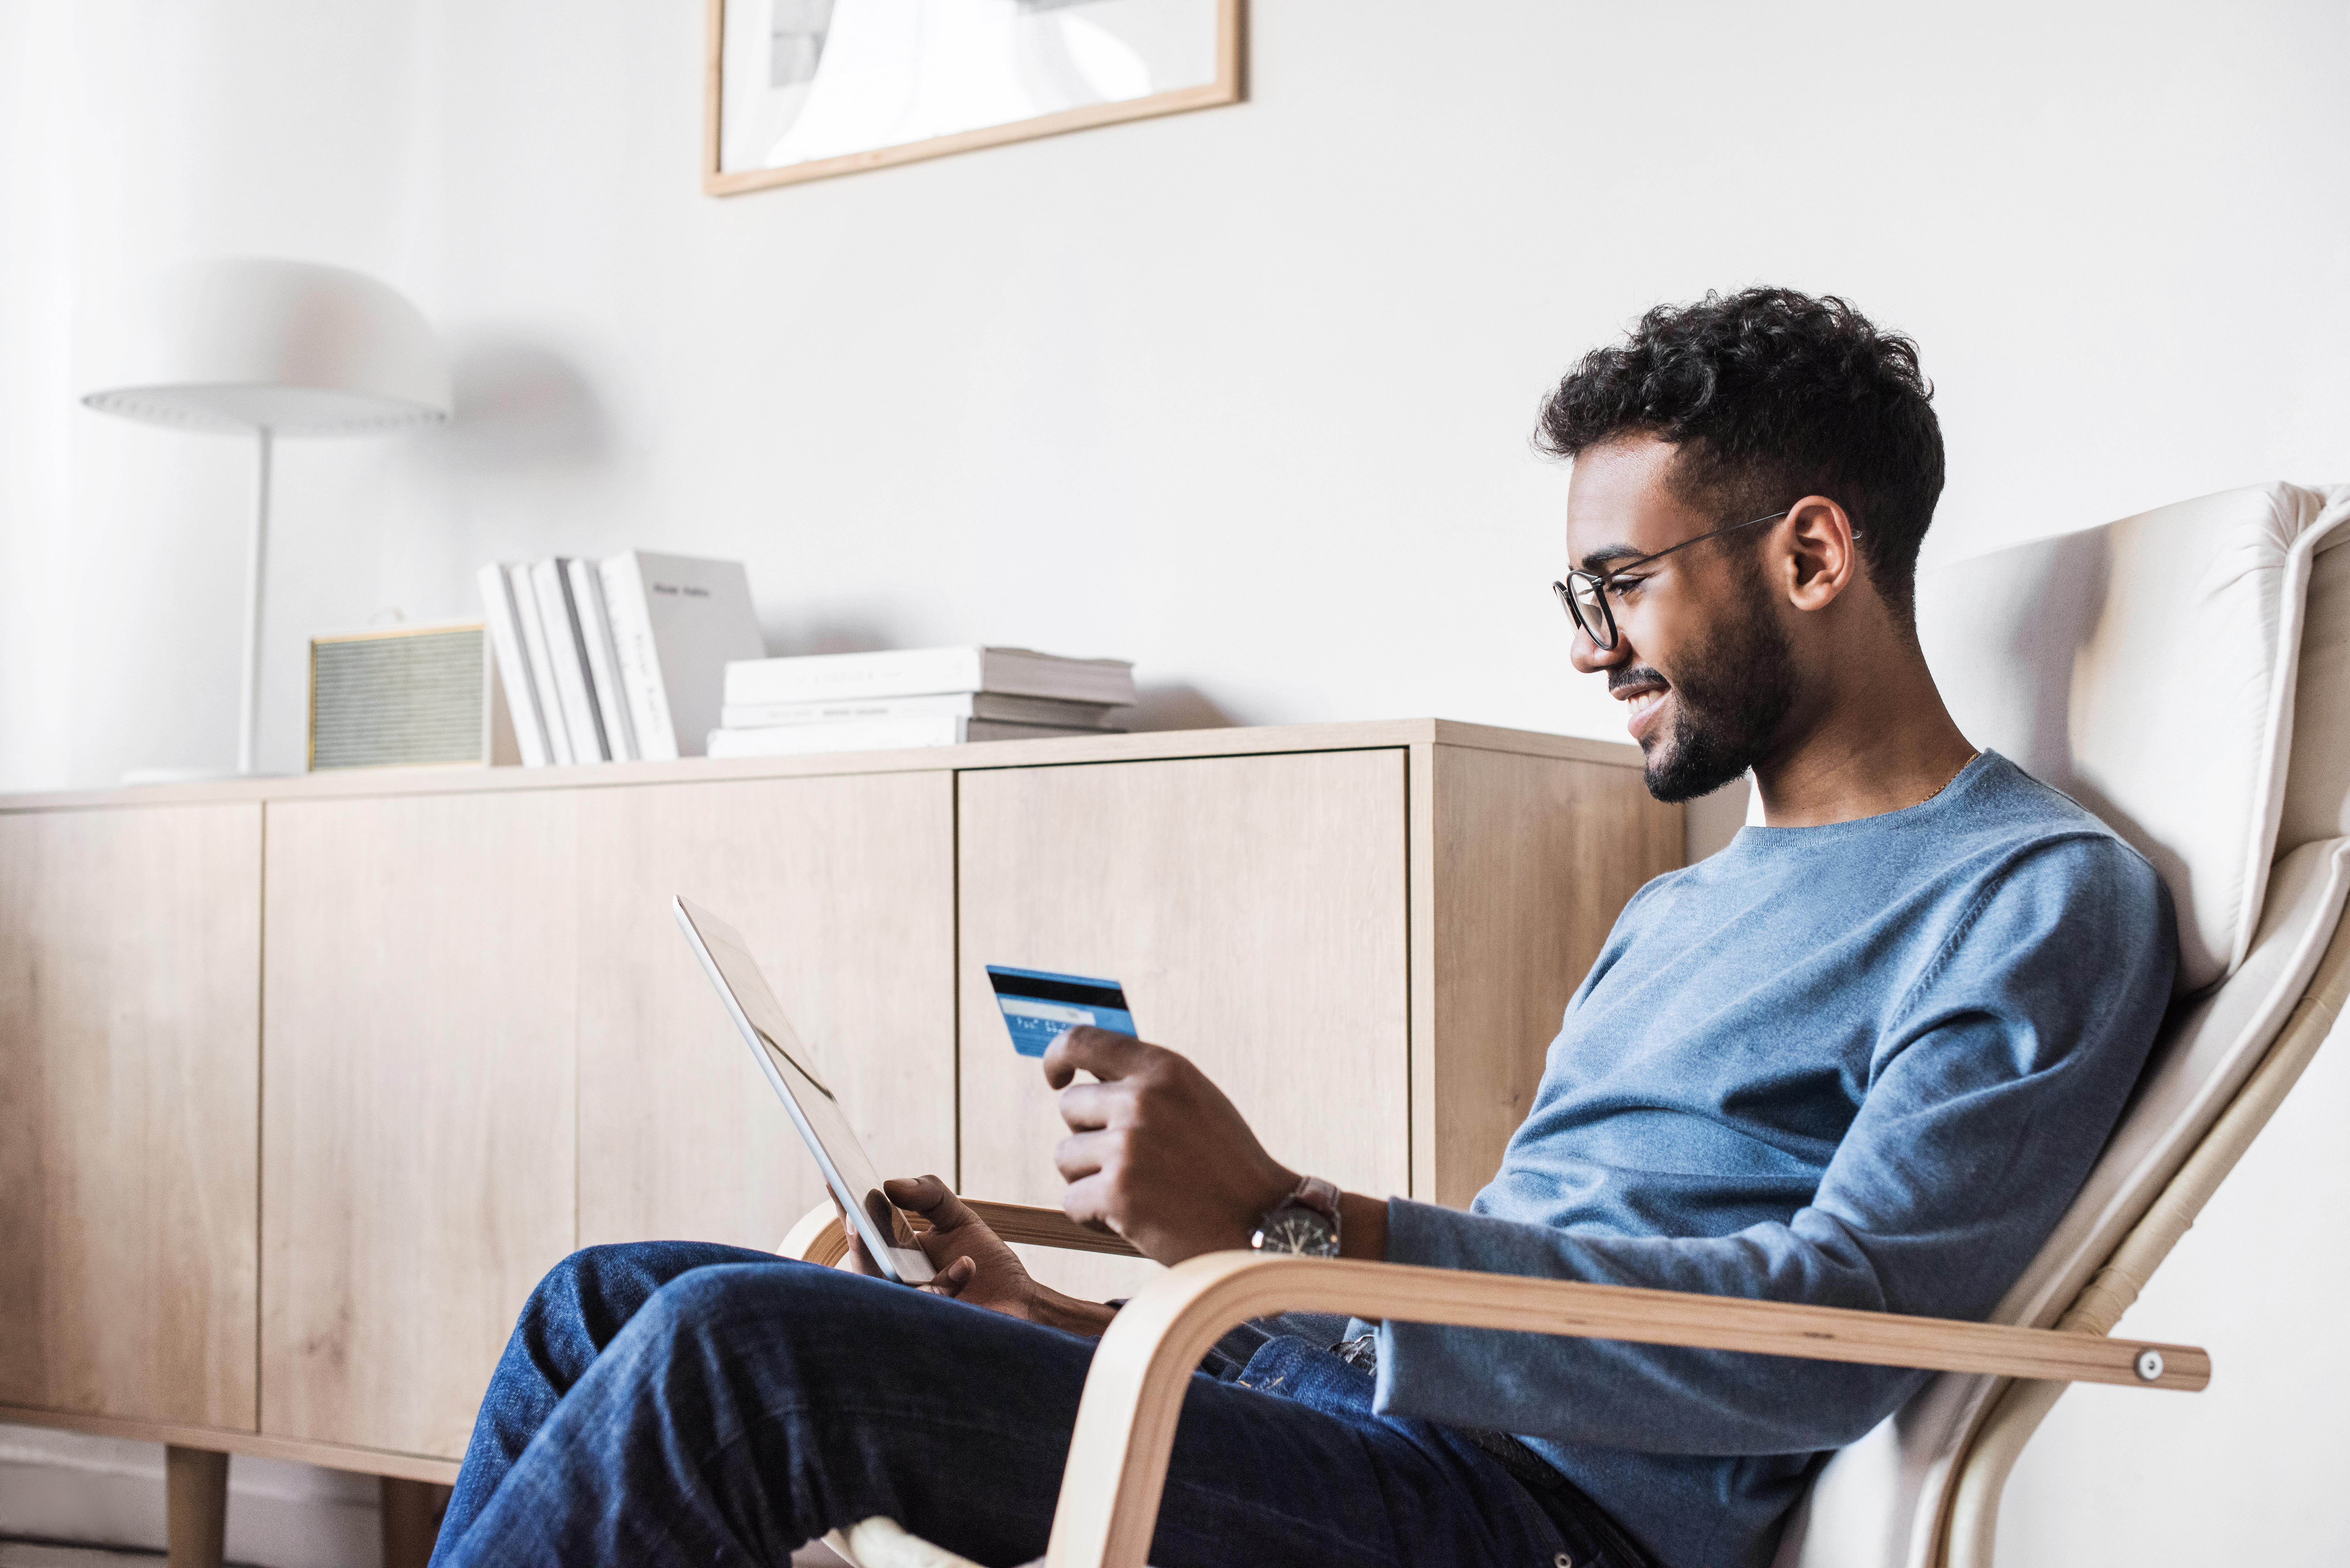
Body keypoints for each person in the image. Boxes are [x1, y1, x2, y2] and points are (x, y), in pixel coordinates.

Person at [428, 289, 2175, 1568]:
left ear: (1811, 556)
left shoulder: (2027, 900)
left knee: (744, 1362)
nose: (1586, 647)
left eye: (1621, 584)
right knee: (612, 1302)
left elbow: (1828, 1329)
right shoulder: (1682, 910)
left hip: (1544, 1528)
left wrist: (1284, 1216)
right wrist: (1047, 1316)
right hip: (1403, 1451)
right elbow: (1443, 1330)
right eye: (1577, 597)